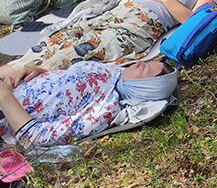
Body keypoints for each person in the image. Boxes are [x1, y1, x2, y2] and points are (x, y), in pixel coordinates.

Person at [7, 0, 217, 71]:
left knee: (75, 53)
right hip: (118, 13)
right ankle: (9, 71)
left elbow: (194, 21)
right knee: (55, 42)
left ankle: (15, 86)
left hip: (140, 24)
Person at [0, 59, 178, 147]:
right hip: (10, 84)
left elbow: (38, 137)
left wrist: (5, 97)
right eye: (146, 62)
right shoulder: (112, 71)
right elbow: (63, 80)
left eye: (145, 68)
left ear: (145, 87)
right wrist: (36, 71)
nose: (139, 62)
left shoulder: (106, 109)